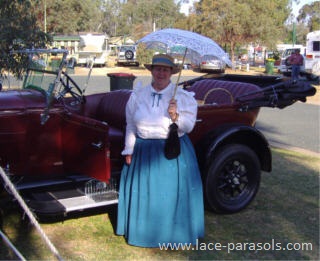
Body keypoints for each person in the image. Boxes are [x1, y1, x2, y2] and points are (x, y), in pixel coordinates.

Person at [116, 54, 204, 247]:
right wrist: (129, 149)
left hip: (172, 151)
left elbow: (188, 127)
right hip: (143, 150)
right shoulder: (138, 95)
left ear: (172, 72)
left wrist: (176, 115)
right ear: (151, 71)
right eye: (157, 69)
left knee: (171, 195)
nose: (161, 73)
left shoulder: (182, 97)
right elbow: (130, 124)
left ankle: (174, 235)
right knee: (146, 194)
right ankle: (144, 234)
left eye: (165, 69)